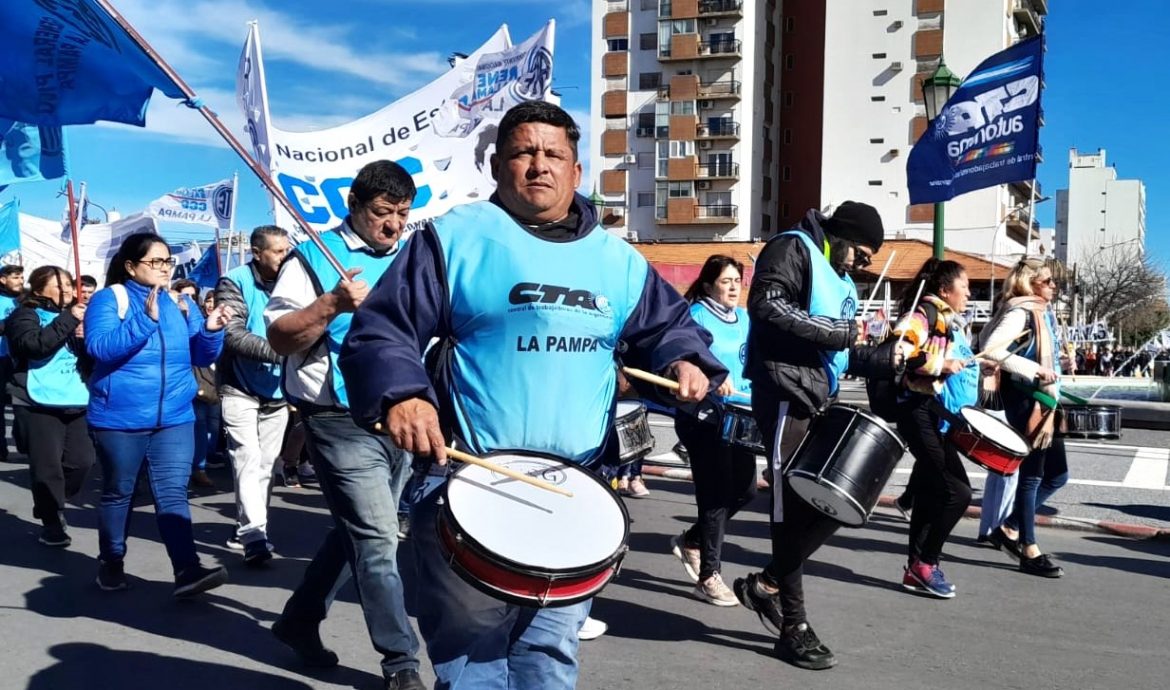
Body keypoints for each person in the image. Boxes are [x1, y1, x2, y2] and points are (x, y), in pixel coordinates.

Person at [339, 101, 725, 690]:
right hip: (469, 479)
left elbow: (667, 327)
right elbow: (383, 330)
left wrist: (686, 358)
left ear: (576, 170)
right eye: (523, 152)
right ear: (497, 165)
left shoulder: (618, 261)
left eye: (554, 154)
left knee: (551, 658)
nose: (538, 165)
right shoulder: (454, 238)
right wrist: (403, 394)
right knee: (474, 663)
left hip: (575, 491)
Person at [265, 160, 424, 690]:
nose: (393, 225)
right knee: (379, 539)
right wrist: (331, 303)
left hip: (400, 415)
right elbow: (280, 338)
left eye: (402, 214)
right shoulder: (309, 258)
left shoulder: (413, 257)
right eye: (382, 213)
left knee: (356, 531)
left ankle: (298, 621)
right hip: (336, 417)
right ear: (354, 206)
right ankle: (401, 662)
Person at [734, 201, 884, 671]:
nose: (862, 265)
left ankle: (766, 584)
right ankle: (793, 626)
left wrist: (889, 360)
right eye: (861, 254)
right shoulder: (792, 248)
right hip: (782, 392)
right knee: (788, 508)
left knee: (838, 500)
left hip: (818, 396)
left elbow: (838, 355)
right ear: (841, 235)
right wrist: (840, 332)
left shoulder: (841, 282)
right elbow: (767, 305)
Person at [85, 233, 233, 596]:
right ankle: (112, 560)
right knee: (120, 492)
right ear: (131, 266)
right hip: (120, 418)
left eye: (167, 261)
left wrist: (212, 331)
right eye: (155, 262)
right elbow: (100, 348)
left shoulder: (181, 303)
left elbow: (198, 356)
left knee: (172, 493)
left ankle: (187, 569)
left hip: (176, 416)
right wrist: (145, 323)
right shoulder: (110, 299)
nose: (164, 268)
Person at [670, 254, 757, 606]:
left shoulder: (747, 318)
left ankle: (691, 539)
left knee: (746, 490)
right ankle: (709, 575)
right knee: (715, 493)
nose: (734, 287)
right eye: (726, 281)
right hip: (703, 415)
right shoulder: (696, 316)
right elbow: (686, 356)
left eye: (737, 280)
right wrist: (708, 375)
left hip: (742, 413)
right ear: (709, 285)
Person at [888, 259, 977, 598]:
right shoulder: (923, 315)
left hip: (928, 409)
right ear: (945, 290)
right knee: (958, 492)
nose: (968, 292)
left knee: (928, 490)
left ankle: (916, 568)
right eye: (964, 286)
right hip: (916, 410)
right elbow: (901, 351)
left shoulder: (944, 319)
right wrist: (942, 364)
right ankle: (927, 562)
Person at [979, 258, 1067, 578]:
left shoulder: (1038, 313)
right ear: (1031, 284)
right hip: (1030, 403)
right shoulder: (1020, 311)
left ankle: (1011, 527)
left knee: (1058, 475)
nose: (1053, 286)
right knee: (1032, 476)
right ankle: (1029, 549)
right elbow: (990, 349)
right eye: (1047, 281)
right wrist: (1035, 370)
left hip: (1044, 402)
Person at [215, 225, 292, 566]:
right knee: (245, 458)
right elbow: (233, 335)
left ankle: (245, 526)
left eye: (287, 250)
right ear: (257, 253)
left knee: (265, 466)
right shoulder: (234, 281)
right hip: (239, 386)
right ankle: (255, 536)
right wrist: (284, 353)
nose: (284, 256)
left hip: (278, 392)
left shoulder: (296, 279)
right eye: (277, 251)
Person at [4, 266, 95, 547]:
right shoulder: (24, 315)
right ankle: (52, 520)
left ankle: (52, 501)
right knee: (47, 468)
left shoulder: (76, 317)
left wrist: (84, 338)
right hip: (36, 402)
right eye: (60, 285)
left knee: (82, 462)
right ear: (40, 288)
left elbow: (89, 359)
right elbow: (34, 345)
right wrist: (69, 319)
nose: (68, 289)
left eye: (69, 284)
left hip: (76, 398)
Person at [0, 264, 25, 461]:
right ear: (3, 279)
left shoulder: (23, 300)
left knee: (21, 404)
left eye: (21, 277)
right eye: (16, 277)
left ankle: (24, 442)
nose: (20, 281)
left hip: (18, 358)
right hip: (1, 358)